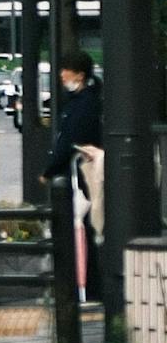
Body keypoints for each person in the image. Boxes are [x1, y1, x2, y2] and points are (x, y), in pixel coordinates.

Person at [45, 49, 103, 300]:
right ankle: (89, 289)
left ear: (79, 75)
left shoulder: (84, 104)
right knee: (88, 230)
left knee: (89, 230)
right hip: (85, 174)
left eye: (65, 70)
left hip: (88, 174)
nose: (61, 75)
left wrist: (51, 170)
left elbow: (70, 140)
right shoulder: (85, 100)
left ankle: (91, 290)